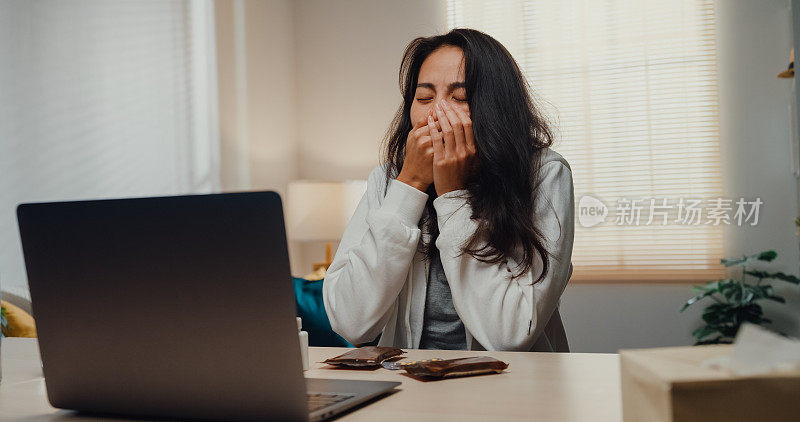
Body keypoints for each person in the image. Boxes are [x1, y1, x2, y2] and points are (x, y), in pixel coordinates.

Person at [322, 28, 574, 352]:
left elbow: (508, 333)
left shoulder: (545, 175)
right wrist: (409, 186)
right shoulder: (388, 181)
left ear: (496, 107)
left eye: (460, 98)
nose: (437, 114)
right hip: (408, 388)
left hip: (514, 390)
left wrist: (453, 194)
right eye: (424, 98)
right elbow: (349, 321)